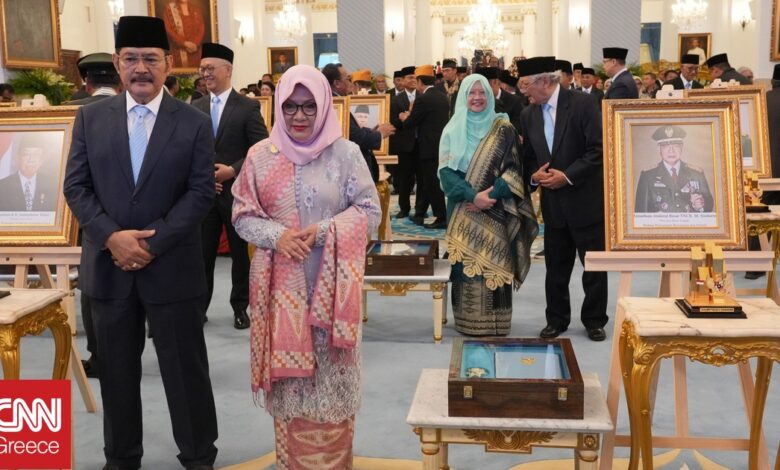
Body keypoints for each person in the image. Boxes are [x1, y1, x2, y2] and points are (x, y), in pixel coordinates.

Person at [63, 16, 218, 469]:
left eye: (151, 58)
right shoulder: (90, 118)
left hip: (172, 269)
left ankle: (198, 456)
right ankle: (121, 457)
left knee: (185, 372)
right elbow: (76, 187)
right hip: (108, 270)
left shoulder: (193, 122)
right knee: (115, 373)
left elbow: (201, 193)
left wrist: (151, 243)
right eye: (131, 59)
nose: (141, 68)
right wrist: (111, 237)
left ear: (168, 63)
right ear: (117, 63)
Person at [231, 64, 380, 469]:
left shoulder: (346, 154)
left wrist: (326, 231)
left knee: (332, 389)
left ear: (325, 105)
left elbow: (371, 212)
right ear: (278, 106)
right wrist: (277, 236)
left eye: (309, 106)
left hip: (333, 297)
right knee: (292, 391)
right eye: (290, 106)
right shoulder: (260, 156)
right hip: (282, 295)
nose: (299, 116)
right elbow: (242, 216)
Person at [517, 56, 608, 342]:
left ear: (545, 81)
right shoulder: (528, 114)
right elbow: (529, 158)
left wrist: (567, 176)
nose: (523, 92)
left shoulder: (583, 104)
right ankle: (556, 319)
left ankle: (594, 320)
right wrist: (534, 177)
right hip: (553, 205)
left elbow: (597, 150)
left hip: (585, 201)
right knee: (556, 268)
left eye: (526, 85)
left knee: (593, 268)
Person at [439, 74, 537, 335]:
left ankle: (497, 323)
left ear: (490, 95)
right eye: (471, 93)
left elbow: (514, 170)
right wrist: (473, 197)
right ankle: (468, 321)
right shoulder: (451, 130)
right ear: (463, 96)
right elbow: (446, 174)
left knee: (497, 264)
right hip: (462, 209)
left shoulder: (504, 129)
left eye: (482, 92)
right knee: (465, 267)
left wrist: (489, 196)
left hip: (497, 208)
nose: (477, 98)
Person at [191, 42, 268, 328]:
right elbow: (189, 150)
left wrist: (231, 170)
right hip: (205, 195)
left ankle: (240, 307)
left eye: (210, 68)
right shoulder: (196, 106)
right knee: (202, 255)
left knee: (239, 254)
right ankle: (199, 308)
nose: (205, 74)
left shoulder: (247, 106)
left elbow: (261, 148)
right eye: (202, 69)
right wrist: (204, 177)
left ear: (228, 70)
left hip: (237, 193)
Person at [322, 63, 395, 183]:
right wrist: (380, 134)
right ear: (337, 83)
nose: (351, 83)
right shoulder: (335, 105)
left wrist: (372, 131)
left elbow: (351, 130)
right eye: (348, 79)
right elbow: (355, 136)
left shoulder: (337, 101)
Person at [398, 65, 448, 229]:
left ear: (420, 81)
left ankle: (441, 217)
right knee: (428, 181)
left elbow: (411, 123)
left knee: (432, 183)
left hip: (427, 147)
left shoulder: (423, 99)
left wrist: (404, 117)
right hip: (439, 145)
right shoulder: (443, 96)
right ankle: (420, 213)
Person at [635, 126, 713, 213]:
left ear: (681, 147)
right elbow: (640, 212)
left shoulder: (696, 174)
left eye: (676, 146)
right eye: (665, 146)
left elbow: (709, 206)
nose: (671, 151)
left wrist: (701, 205)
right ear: (659, 149)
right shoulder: (648, 176)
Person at [389, 65, 418, 218]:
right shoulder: (396, 100)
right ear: (403, 80)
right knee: (404, 178)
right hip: (404, 144)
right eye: (410, 77)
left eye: (415, 77)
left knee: (422, 179)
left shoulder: (422, 96)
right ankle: (404, 208)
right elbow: (392, 121)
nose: (413, 80)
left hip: (422, 143)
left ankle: (420, 209)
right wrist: (402, 119)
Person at [0, 137, 57, 212]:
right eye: (26, 154)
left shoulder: (52, 184)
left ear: (41, 160)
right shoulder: (2, 186)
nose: (31, 160)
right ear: (18, 158)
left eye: (36, 155)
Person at [162, 0, 206, 69]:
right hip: (177, 52)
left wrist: (195, 44)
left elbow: (201, 29)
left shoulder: (196, 10)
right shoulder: (169, 9)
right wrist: (184, 43)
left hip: (195, 51)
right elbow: (168, 29)